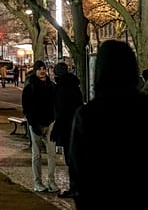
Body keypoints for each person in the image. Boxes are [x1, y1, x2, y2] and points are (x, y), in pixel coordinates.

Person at [68, 40, 148, 209]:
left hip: (100, 197)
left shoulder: (88, 114)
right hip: (142, 197)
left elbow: (78, 166)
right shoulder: (147, 109)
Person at [21, 59, 58, 193]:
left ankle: (51, 181)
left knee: (52, 154)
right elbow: (26, 107)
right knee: (36, 155)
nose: (42, 71)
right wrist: (33, 123)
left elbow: (56, 104)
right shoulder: (30, 86)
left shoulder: (51, 86)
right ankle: (38, 182)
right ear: (35, 71)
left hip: (50, 122)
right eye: (40, 69)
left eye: (44, 68)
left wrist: (55, 120)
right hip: (36, 123)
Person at [50, 62, 83, 198]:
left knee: (71, 159)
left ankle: (75, 188)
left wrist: (56, 128)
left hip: (66, 127)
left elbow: (62, 111)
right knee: (74, 158)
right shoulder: (74, 86)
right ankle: (76, 187)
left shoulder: (62, 88)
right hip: (75, 126)